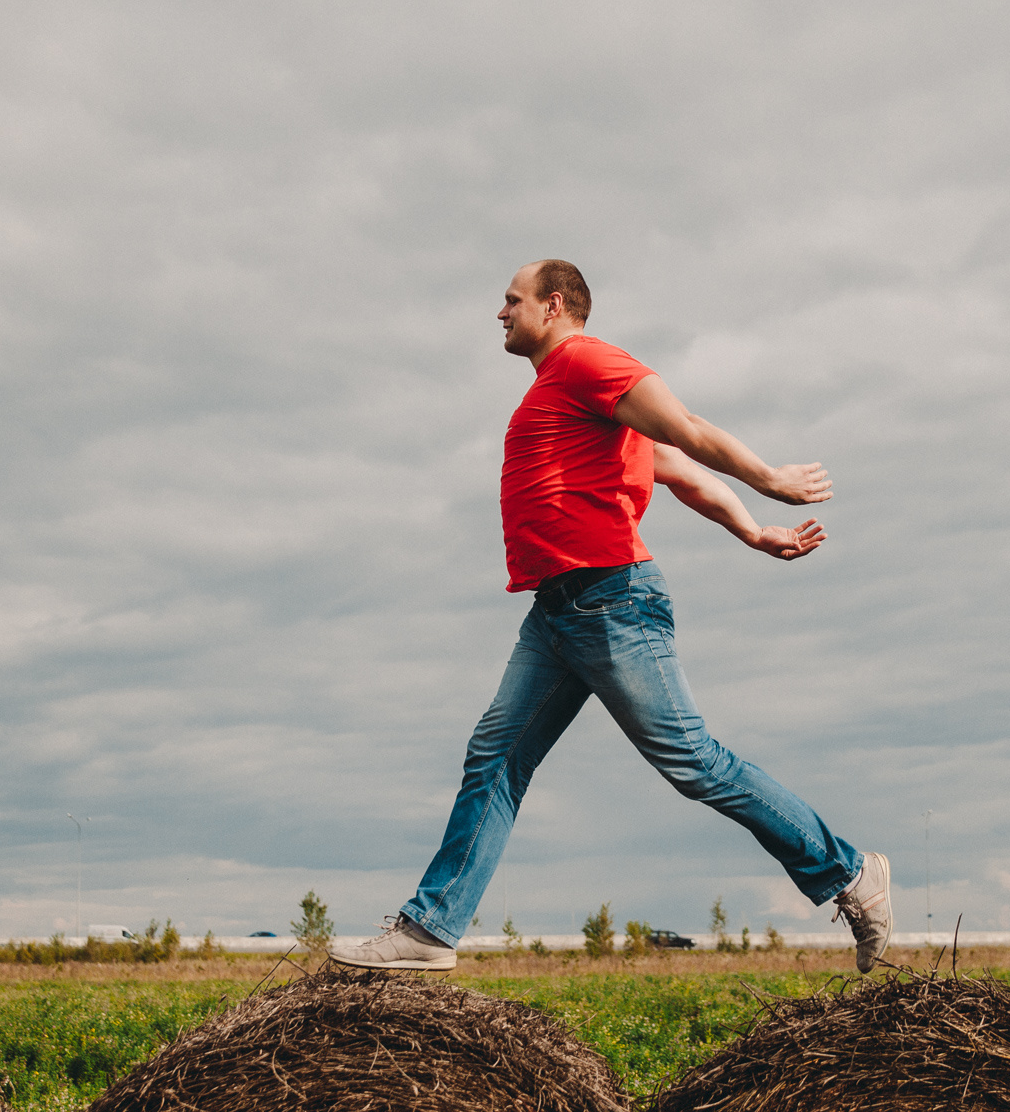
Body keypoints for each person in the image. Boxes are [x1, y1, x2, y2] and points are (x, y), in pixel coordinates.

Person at [329, 260, 891, 973]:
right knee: (495, 757)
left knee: (694, 762)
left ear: (554, 305)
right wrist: (752, 532)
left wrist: (772, 481)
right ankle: (430, 930)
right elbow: (682, 474)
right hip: (557, 612)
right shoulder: (567, 401)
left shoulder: (589, 363)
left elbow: (686, 429)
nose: (500, 314)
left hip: (611, 601)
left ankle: (849, 874)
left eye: (512, 300)